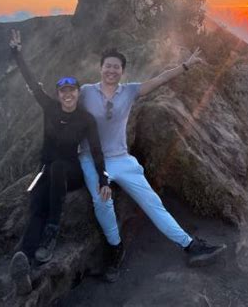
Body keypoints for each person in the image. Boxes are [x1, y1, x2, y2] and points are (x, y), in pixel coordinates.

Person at [78, 47, 227, 282]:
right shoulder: (86, 91)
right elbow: (59, 103)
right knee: (101, 202)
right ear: (101, 67)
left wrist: (185, 66)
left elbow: (159, 80)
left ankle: (190, 246)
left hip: (120, 158)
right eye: (108, 65)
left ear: (122, 71)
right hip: (91, 158)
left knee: (152, 202)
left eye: (116, 67)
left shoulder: (128, 91)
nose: (111, 70)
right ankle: (116, 250)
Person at [8, 29, 111, 295]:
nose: (67, 95)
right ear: (58, 94)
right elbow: (31, 82)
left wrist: (103, 179)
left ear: (78, 93)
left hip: (71, 171)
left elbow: (97, 150)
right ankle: (25, 263)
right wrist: (17, 53)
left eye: (71, 90)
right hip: (46, 171)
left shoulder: (86, 120)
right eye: (63, 91)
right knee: (36, 207)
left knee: (56, 169)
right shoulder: (50, 107)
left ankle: (52, 233)